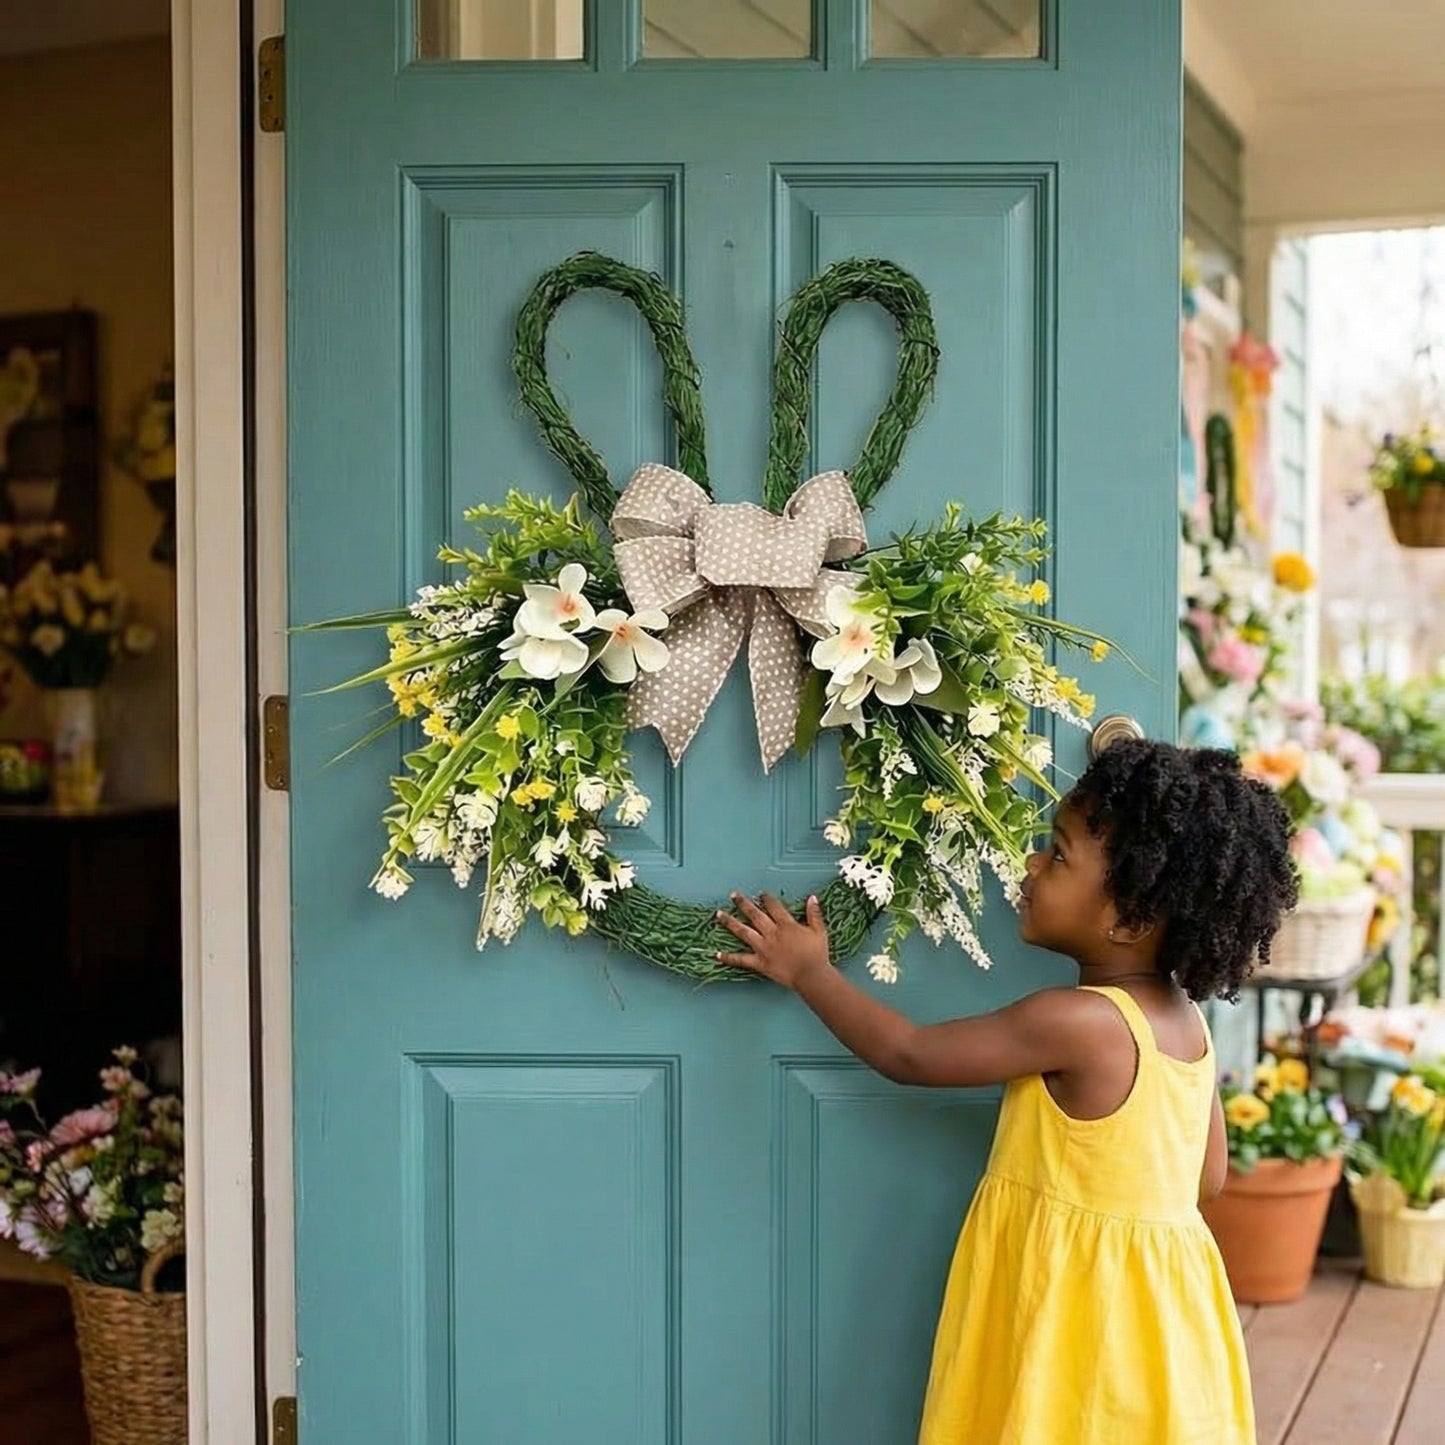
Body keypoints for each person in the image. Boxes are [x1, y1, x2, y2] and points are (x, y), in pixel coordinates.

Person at [718, 739, 1296, 1445]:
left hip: (1075, 1314)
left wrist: (811, 973)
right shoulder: (1187, 1025)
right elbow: (1206, 1176)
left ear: (1131, 917)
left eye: (1055, 854)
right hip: (1164, 1321)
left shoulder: (1078, 1021)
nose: (1028, 863)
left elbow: (908, 1052)